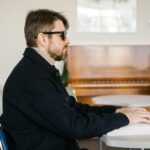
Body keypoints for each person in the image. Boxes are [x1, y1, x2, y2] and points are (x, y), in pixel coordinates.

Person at [1, 9, 150, 150]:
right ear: (42, 38)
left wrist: (117, 111)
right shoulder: (31, 79)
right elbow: (76, 127)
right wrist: (125, 118)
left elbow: (74, 109)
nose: (68, 40)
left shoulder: (40, 71)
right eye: (62, 35)